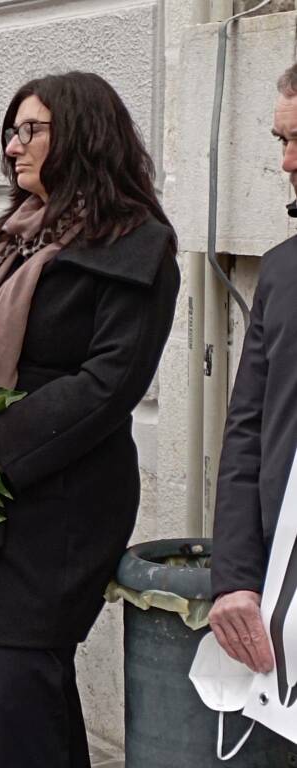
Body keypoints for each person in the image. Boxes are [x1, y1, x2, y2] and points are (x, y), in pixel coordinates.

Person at [0, 72, 180, 768]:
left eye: (31, 131)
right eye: (11, 131)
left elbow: (110, 384)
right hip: (4, 495)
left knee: (21, 679)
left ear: (81, 134)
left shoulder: (136, 242)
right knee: (22, 687)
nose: (14, 147)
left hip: (67, 498)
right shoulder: (18, 235)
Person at [210, 63, 297, 690]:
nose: (288, 163)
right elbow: (247, 431)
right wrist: (237, 575)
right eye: (281, 142)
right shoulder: (282, 271)